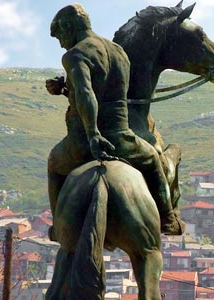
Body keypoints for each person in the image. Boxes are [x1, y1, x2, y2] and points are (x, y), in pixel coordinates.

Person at [46, 4, 184, 236]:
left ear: (69, 27)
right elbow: (106, 89)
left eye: (60, 36)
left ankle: (58, 227)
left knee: (54, 164)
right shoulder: (119, 52)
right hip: (123, 140)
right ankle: (168, 218)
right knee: (152, 158)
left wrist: (93, 135)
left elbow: (86, 94)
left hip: (84, 142)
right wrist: (64, 88)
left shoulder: (75, 54)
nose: (61, 43)